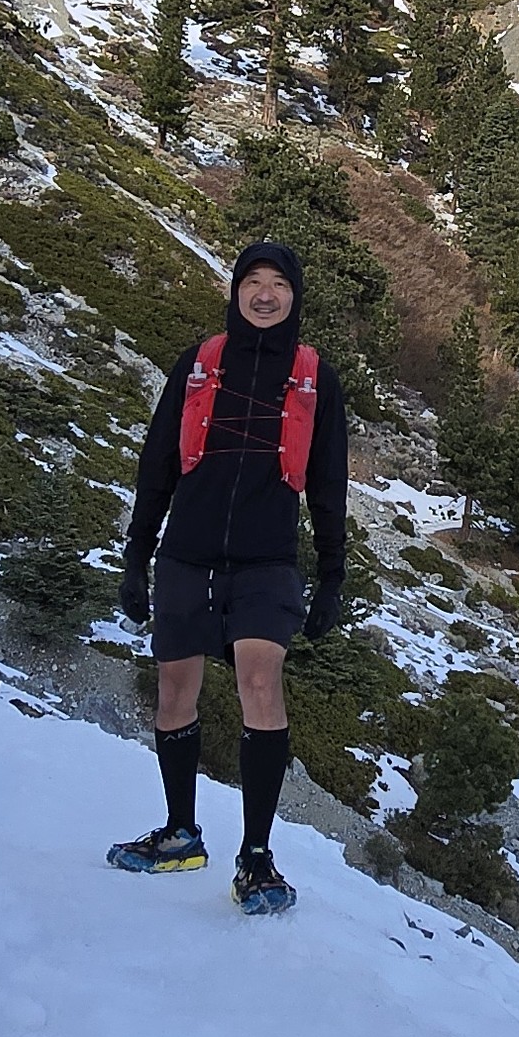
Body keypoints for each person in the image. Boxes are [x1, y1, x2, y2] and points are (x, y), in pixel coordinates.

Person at [107, 239, 347, 914]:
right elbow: (157, 463)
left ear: (295, 298)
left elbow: (329, 483)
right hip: (186, 550)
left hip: (268, 560)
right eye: (253, 282)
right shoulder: (199, 363)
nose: (265, 294)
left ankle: (256, 856)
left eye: (279, 284)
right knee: (175, 689)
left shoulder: (314, 376)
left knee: (260, 681)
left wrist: (332, 575)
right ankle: (181, 833)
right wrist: (136, 556)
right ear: (236, 290)